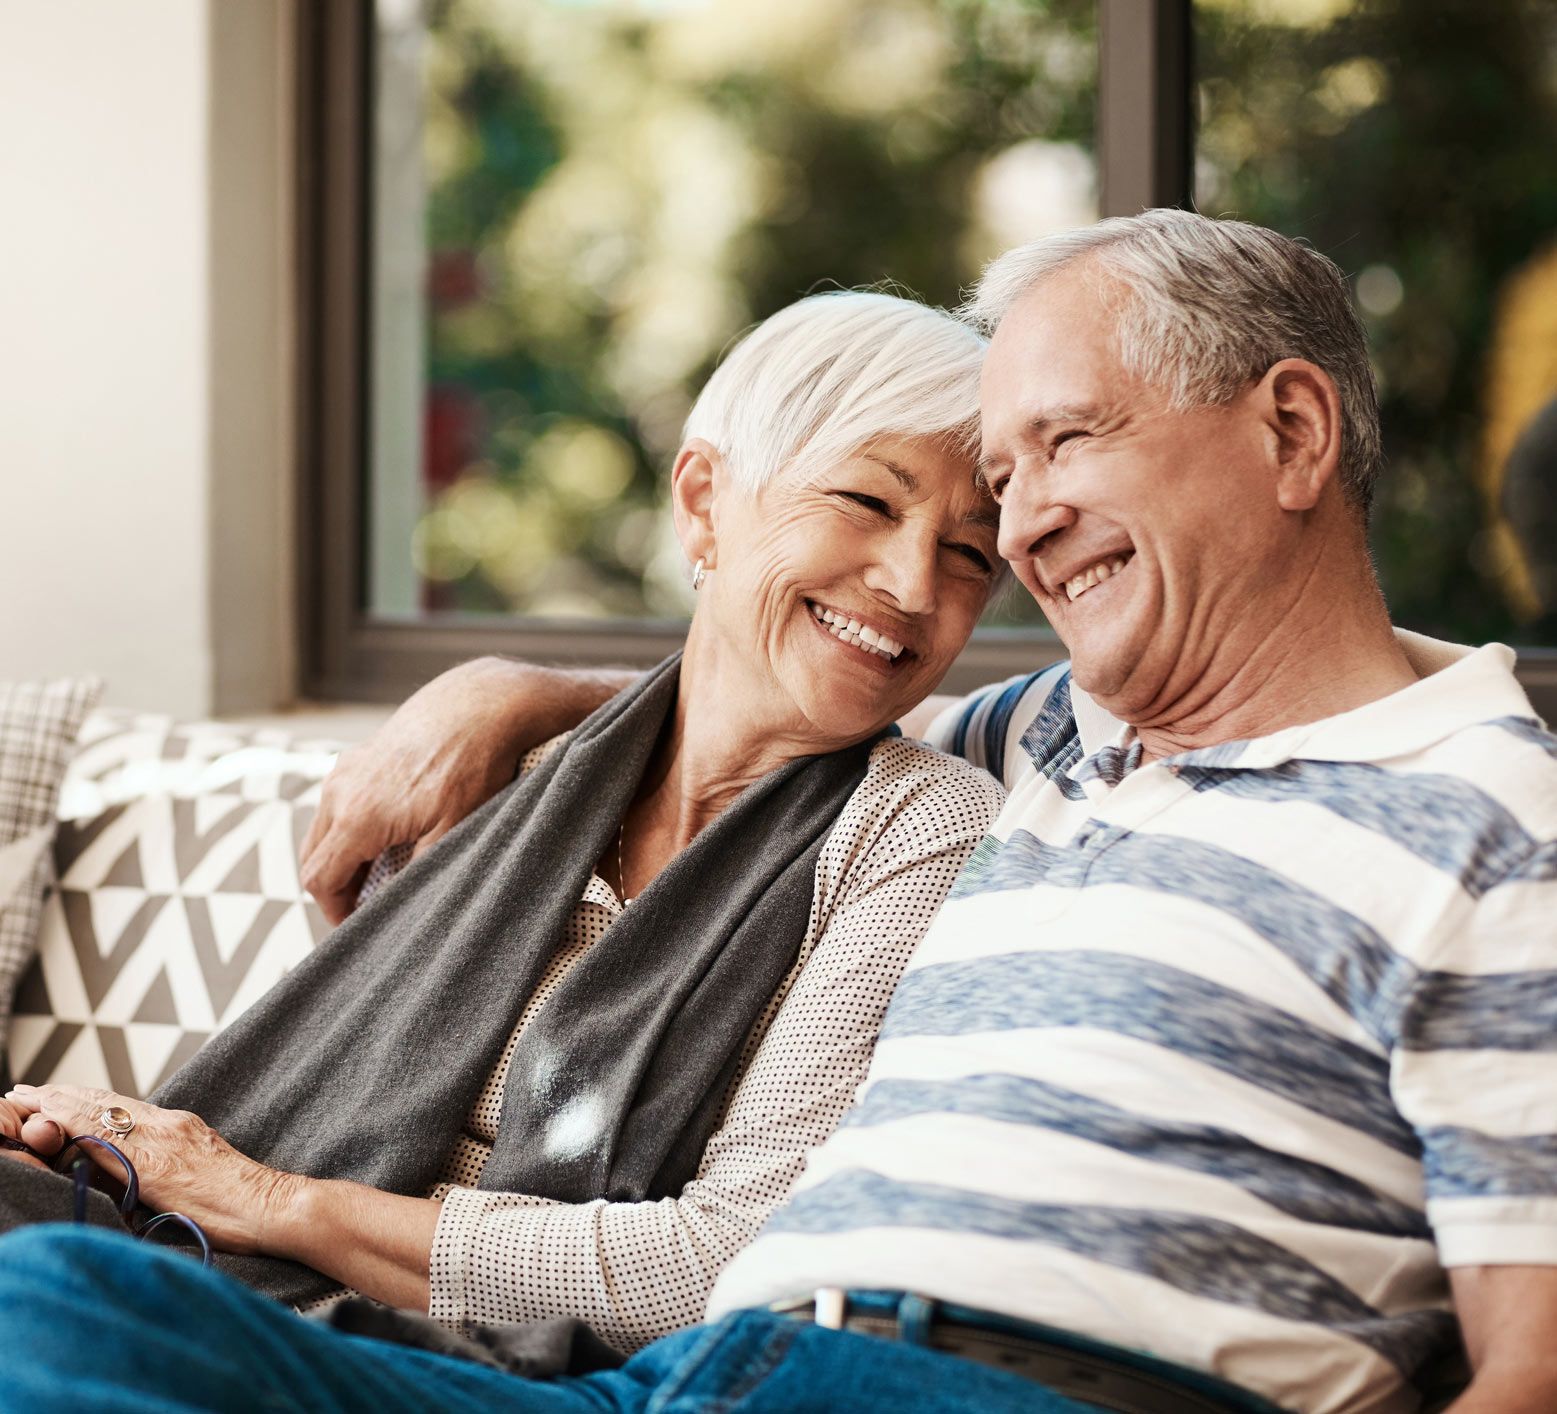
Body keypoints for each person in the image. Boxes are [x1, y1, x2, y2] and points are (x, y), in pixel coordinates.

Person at [4, 209, 1556, 1414]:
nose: (1017, 529)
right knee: (60, 1305)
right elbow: (777, 684)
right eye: (999, 477)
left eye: (1062, 442)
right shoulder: (1057, 736)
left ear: (1291, 433)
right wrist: (513, 689)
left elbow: (1532, 1367)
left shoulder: (1490, 826)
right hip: (694, 1382)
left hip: (1006, 1384)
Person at [0, 290, 1006, 1352]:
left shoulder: (919, 831)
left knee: (53, 1311)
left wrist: (252, 1192)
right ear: (705, 502)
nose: (910, 582)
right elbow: (321, 1109)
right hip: (225, 1274)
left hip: (453, 1351)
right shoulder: (502, 770)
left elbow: (721, 1264)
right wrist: (92, 1153)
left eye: (972, 555)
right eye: (867, 501)